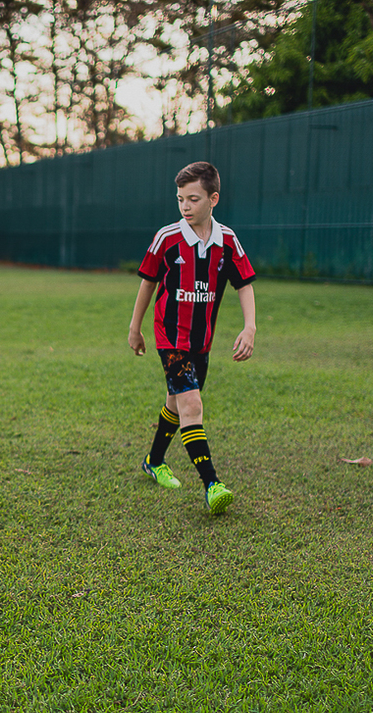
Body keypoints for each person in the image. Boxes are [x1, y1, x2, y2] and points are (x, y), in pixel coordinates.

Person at [127, 161, 256, 515]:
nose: (185, 206)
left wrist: (250, 326)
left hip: (202, 343)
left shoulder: (227, 241)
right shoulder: (167, 238)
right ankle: (212, 484)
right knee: (191, 405)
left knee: (176, 402)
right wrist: (135, 327)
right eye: (181, 199)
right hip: (170, 337)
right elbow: (148, 284)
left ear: (213, 199)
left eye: (193, 199)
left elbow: (243, 284)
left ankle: (154, 461)